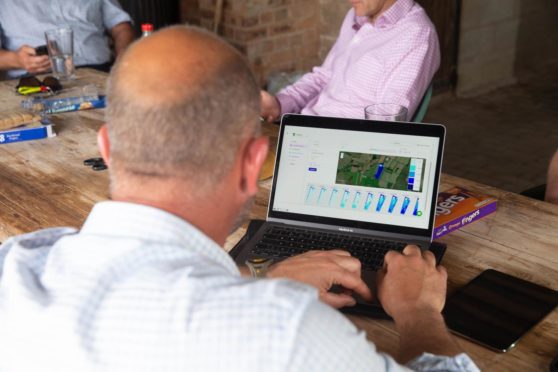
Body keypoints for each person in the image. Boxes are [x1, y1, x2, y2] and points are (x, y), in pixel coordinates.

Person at [0, 26, 478, 371]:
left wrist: (258, 279)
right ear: (254, 164)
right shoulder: (283, 334)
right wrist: (417, 313)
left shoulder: (15, 263)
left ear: (106, 147)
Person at [260, 0, 440, 122]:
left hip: (343, 148)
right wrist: (278, 105)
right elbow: (323, 77)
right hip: (306, 127)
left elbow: (387, 123)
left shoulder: (416, 34)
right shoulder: (356, 15)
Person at [0, 0, 134, 79]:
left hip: (103, 72)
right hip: (37, 79)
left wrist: (123, 59)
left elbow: (120, 26)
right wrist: (18, 60)